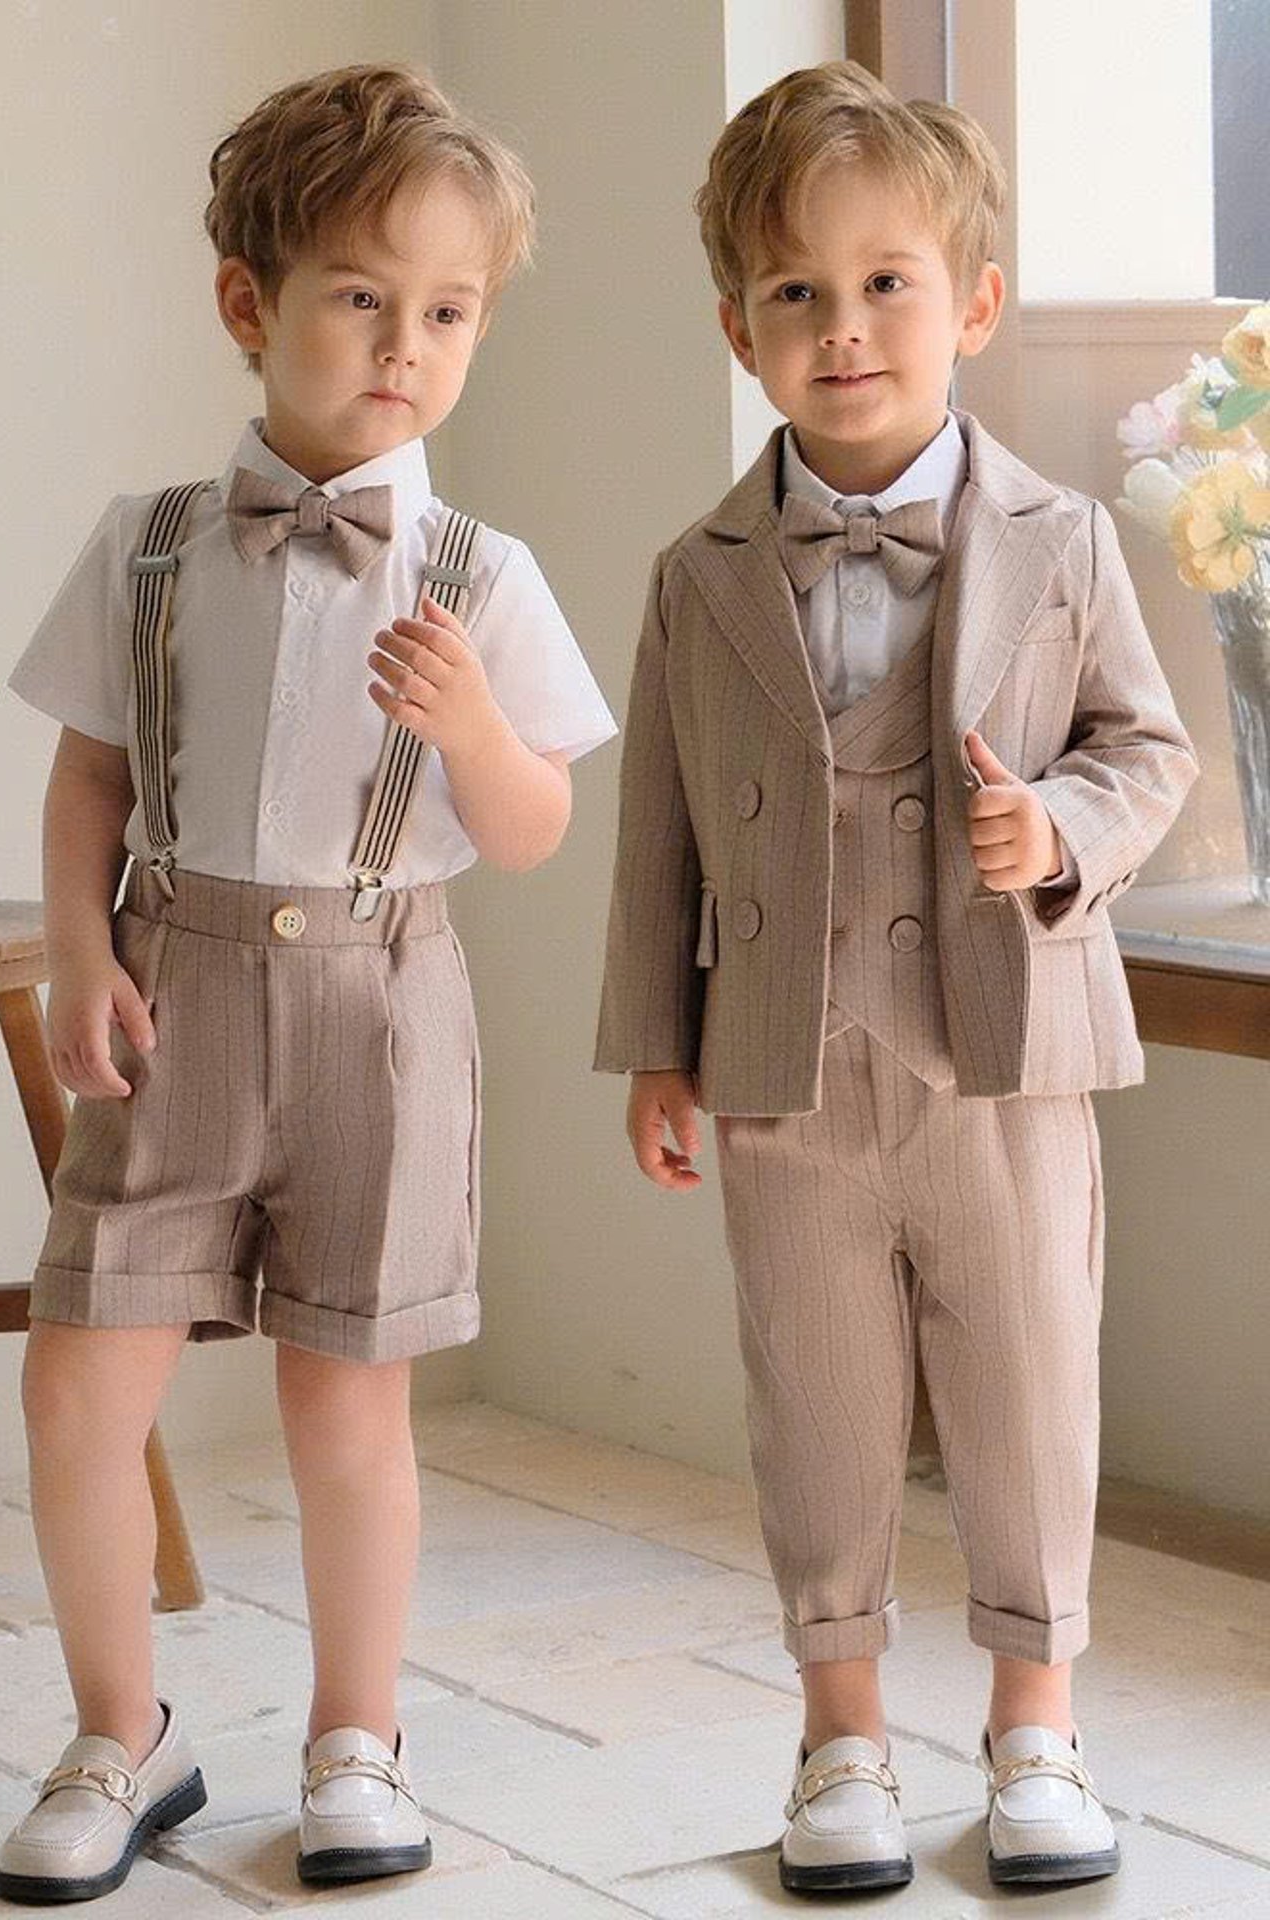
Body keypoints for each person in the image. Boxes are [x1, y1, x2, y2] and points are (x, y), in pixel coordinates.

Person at [0, 62, 616, 1904]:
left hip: (379, 1011)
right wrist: (75, 953)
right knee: (80, 1378)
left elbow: (529, 829)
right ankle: (127, 1731)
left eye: (450, 313)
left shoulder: (477, 570)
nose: (406, 346)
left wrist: (477, 727)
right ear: (249, 305)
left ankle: (360, 1735)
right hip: (173, 992)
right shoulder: (157, 543)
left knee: (349, 1395)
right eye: (363, 298)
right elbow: (89, 774)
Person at [595, 60, 1197, 1893]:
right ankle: (838, 1739)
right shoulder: (698, 574)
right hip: (781, 1062)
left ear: (976, 308)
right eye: (794, 292)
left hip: (1005, 1063)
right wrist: (654, 1054)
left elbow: (1148, 750)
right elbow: (657, 838)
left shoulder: (1061, 538)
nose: (842, 328)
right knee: (819, 1401)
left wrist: (1065, 836)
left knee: (1027, 1394)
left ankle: (1037, 1730)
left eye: (885, 284)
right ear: (737, 328)